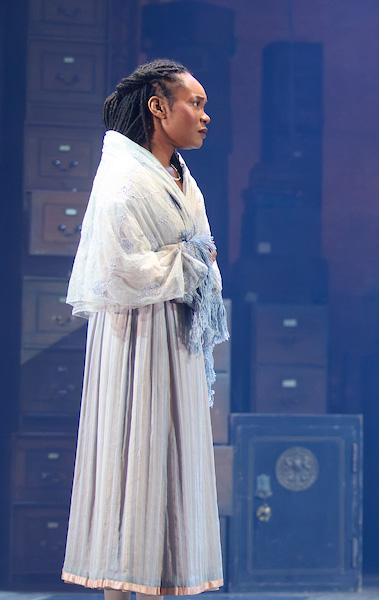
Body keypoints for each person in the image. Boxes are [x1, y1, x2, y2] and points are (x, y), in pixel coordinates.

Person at [61, 59, 228, 598]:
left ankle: (161, 582)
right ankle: (120, 585)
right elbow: (117, 269)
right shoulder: (123, 180)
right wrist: (192, 260)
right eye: (194, 104)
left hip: (174, 335)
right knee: (131, 458)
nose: (205, 116)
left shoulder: (177, 173)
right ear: (159, 107)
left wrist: (195, 259)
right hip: (135, 339)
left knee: (169, 465)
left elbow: (195, 247)